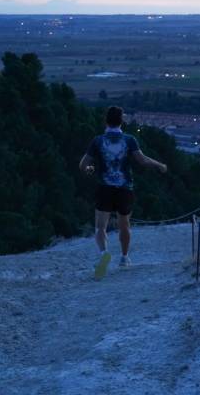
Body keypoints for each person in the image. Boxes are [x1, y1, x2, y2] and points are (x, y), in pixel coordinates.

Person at [79, 106, 167, 279]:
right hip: (125, 188)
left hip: (104, 187)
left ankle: (104, 253)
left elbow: (82, 165)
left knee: (100, 226)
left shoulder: (97, 141)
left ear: (106, 121)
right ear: (122, 121)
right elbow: (142, 160)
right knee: (124, 225)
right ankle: (124, 257)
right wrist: (159, 165)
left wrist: (90, 169)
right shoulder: (129, 140)